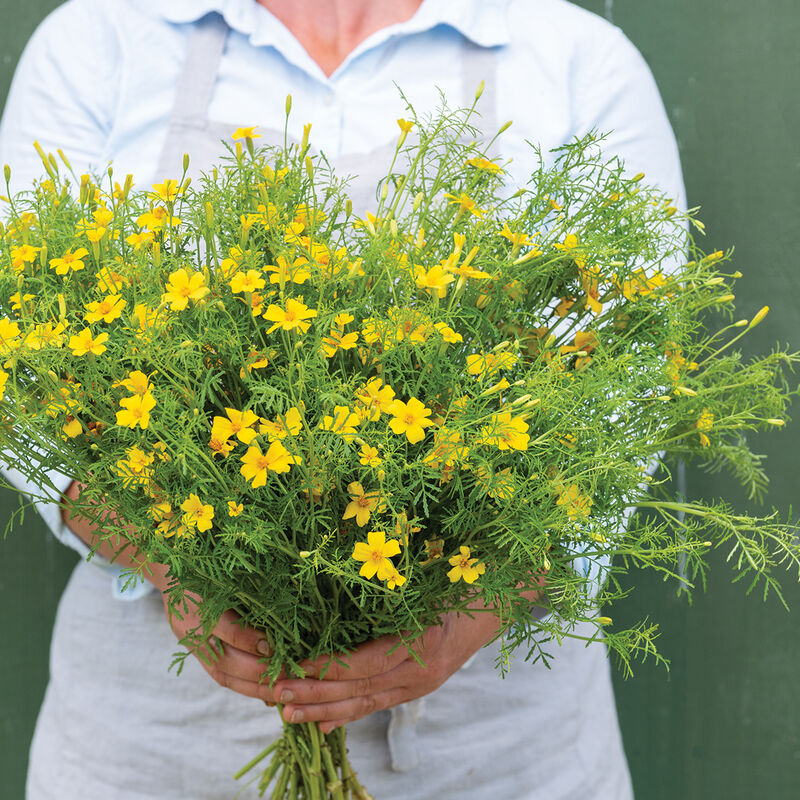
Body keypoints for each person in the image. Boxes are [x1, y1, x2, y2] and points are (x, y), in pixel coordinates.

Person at [0, 1, 686, 797]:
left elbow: (627, 396)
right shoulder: (100, 38)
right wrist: (171, 562)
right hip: (158, 744)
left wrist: (475, 610)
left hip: (496, 752)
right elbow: (21, 372)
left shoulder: (574, 55)